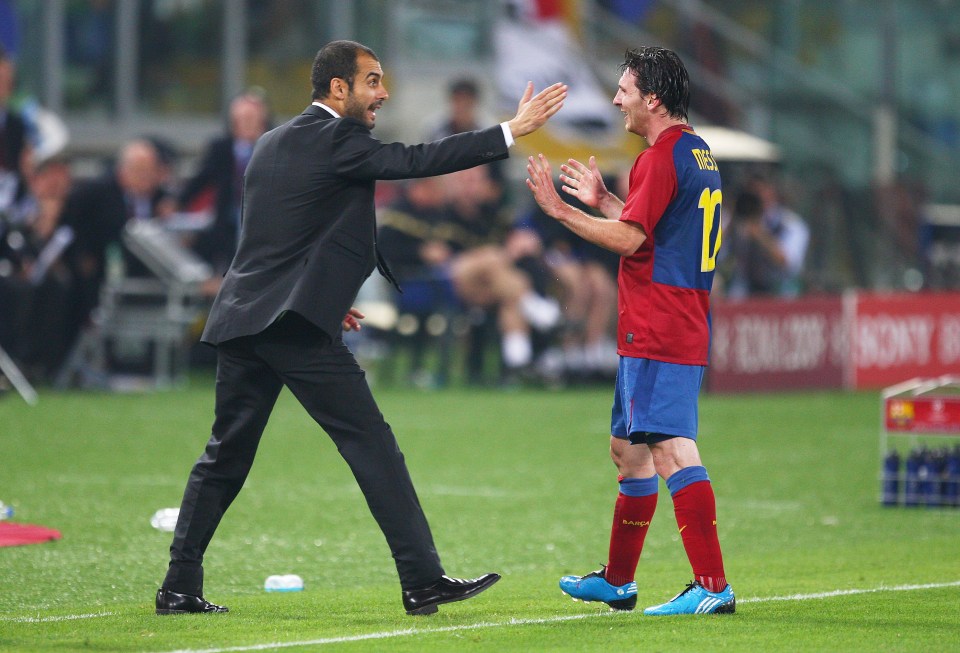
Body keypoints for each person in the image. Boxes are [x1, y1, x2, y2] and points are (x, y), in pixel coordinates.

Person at [155, 39, 566, 617]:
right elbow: (418, 161)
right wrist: (509, 130)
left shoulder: (271, 144)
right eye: (373, 81)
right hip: (292, 328)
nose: (384, 92)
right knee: (371, 444)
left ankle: (179, 586)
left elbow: (277, 237)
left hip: (245, 317)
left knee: (225, 456)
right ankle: (423, 580)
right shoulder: (339, 140)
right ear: (338, 88)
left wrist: (322, 297)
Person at [524, 46, 734, 615]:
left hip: (660, 322)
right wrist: (608, 201)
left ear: (653, 98)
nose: (616, 98)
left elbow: (633, 241)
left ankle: (712, 587)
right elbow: (654, 226)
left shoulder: (661, 156)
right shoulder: (695, 150)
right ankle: (617, 581)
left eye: (624, 89)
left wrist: (562, 212)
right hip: (664, 318)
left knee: (668, 446)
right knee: (628, 451)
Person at [178, 91, 271, 283]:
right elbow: (202, 178)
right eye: (241, 119)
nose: (246, 124)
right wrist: (177, 202)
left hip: (259, 217)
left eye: (251, 119)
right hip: (228, 217)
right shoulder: (221, 148)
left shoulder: (271, 146)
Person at [726, 174, 809, 298]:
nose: (757, 198)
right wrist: (733, 221)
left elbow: (789, 263)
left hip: (779, 290)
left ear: (772, 192)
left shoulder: (790, 223)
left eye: (760, 192)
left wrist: (759, 233)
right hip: (743, 289)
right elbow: (715, 255)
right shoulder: (735, 221)